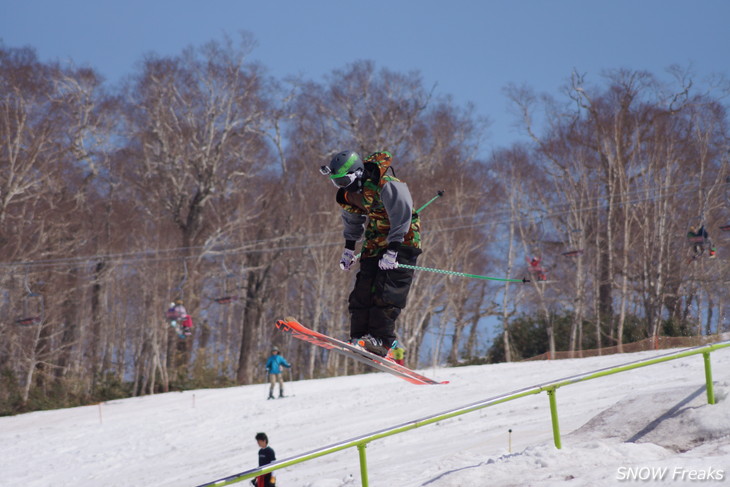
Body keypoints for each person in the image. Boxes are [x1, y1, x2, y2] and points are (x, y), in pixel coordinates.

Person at [320, 150, 422, 357]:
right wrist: (349, 250)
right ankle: (360, 338)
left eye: (344, 180)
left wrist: (393, 251)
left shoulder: (388, 185)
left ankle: (382, 341)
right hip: (375, 240)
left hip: (402, 240)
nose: (342, 186)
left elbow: (402, 217)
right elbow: (352, 221)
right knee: (362, 290)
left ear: (357, 173)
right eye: (337, 182)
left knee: (386, 291)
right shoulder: (350, 194)